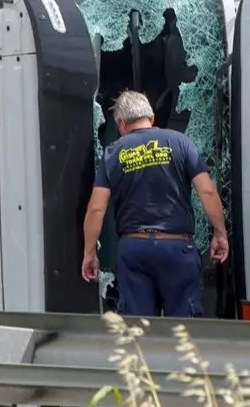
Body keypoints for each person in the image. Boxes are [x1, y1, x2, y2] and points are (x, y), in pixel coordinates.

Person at [81, 90, 228, 318]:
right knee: (184, 331)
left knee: (139, 332)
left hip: (135, 250)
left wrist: (90, 252)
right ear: (151, 119)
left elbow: (97, 208)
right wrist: (220, 234)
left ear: (121, 124)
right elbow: (207, 191)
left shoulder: (113, 153)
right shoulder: (180, 142)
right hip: (177, 250)